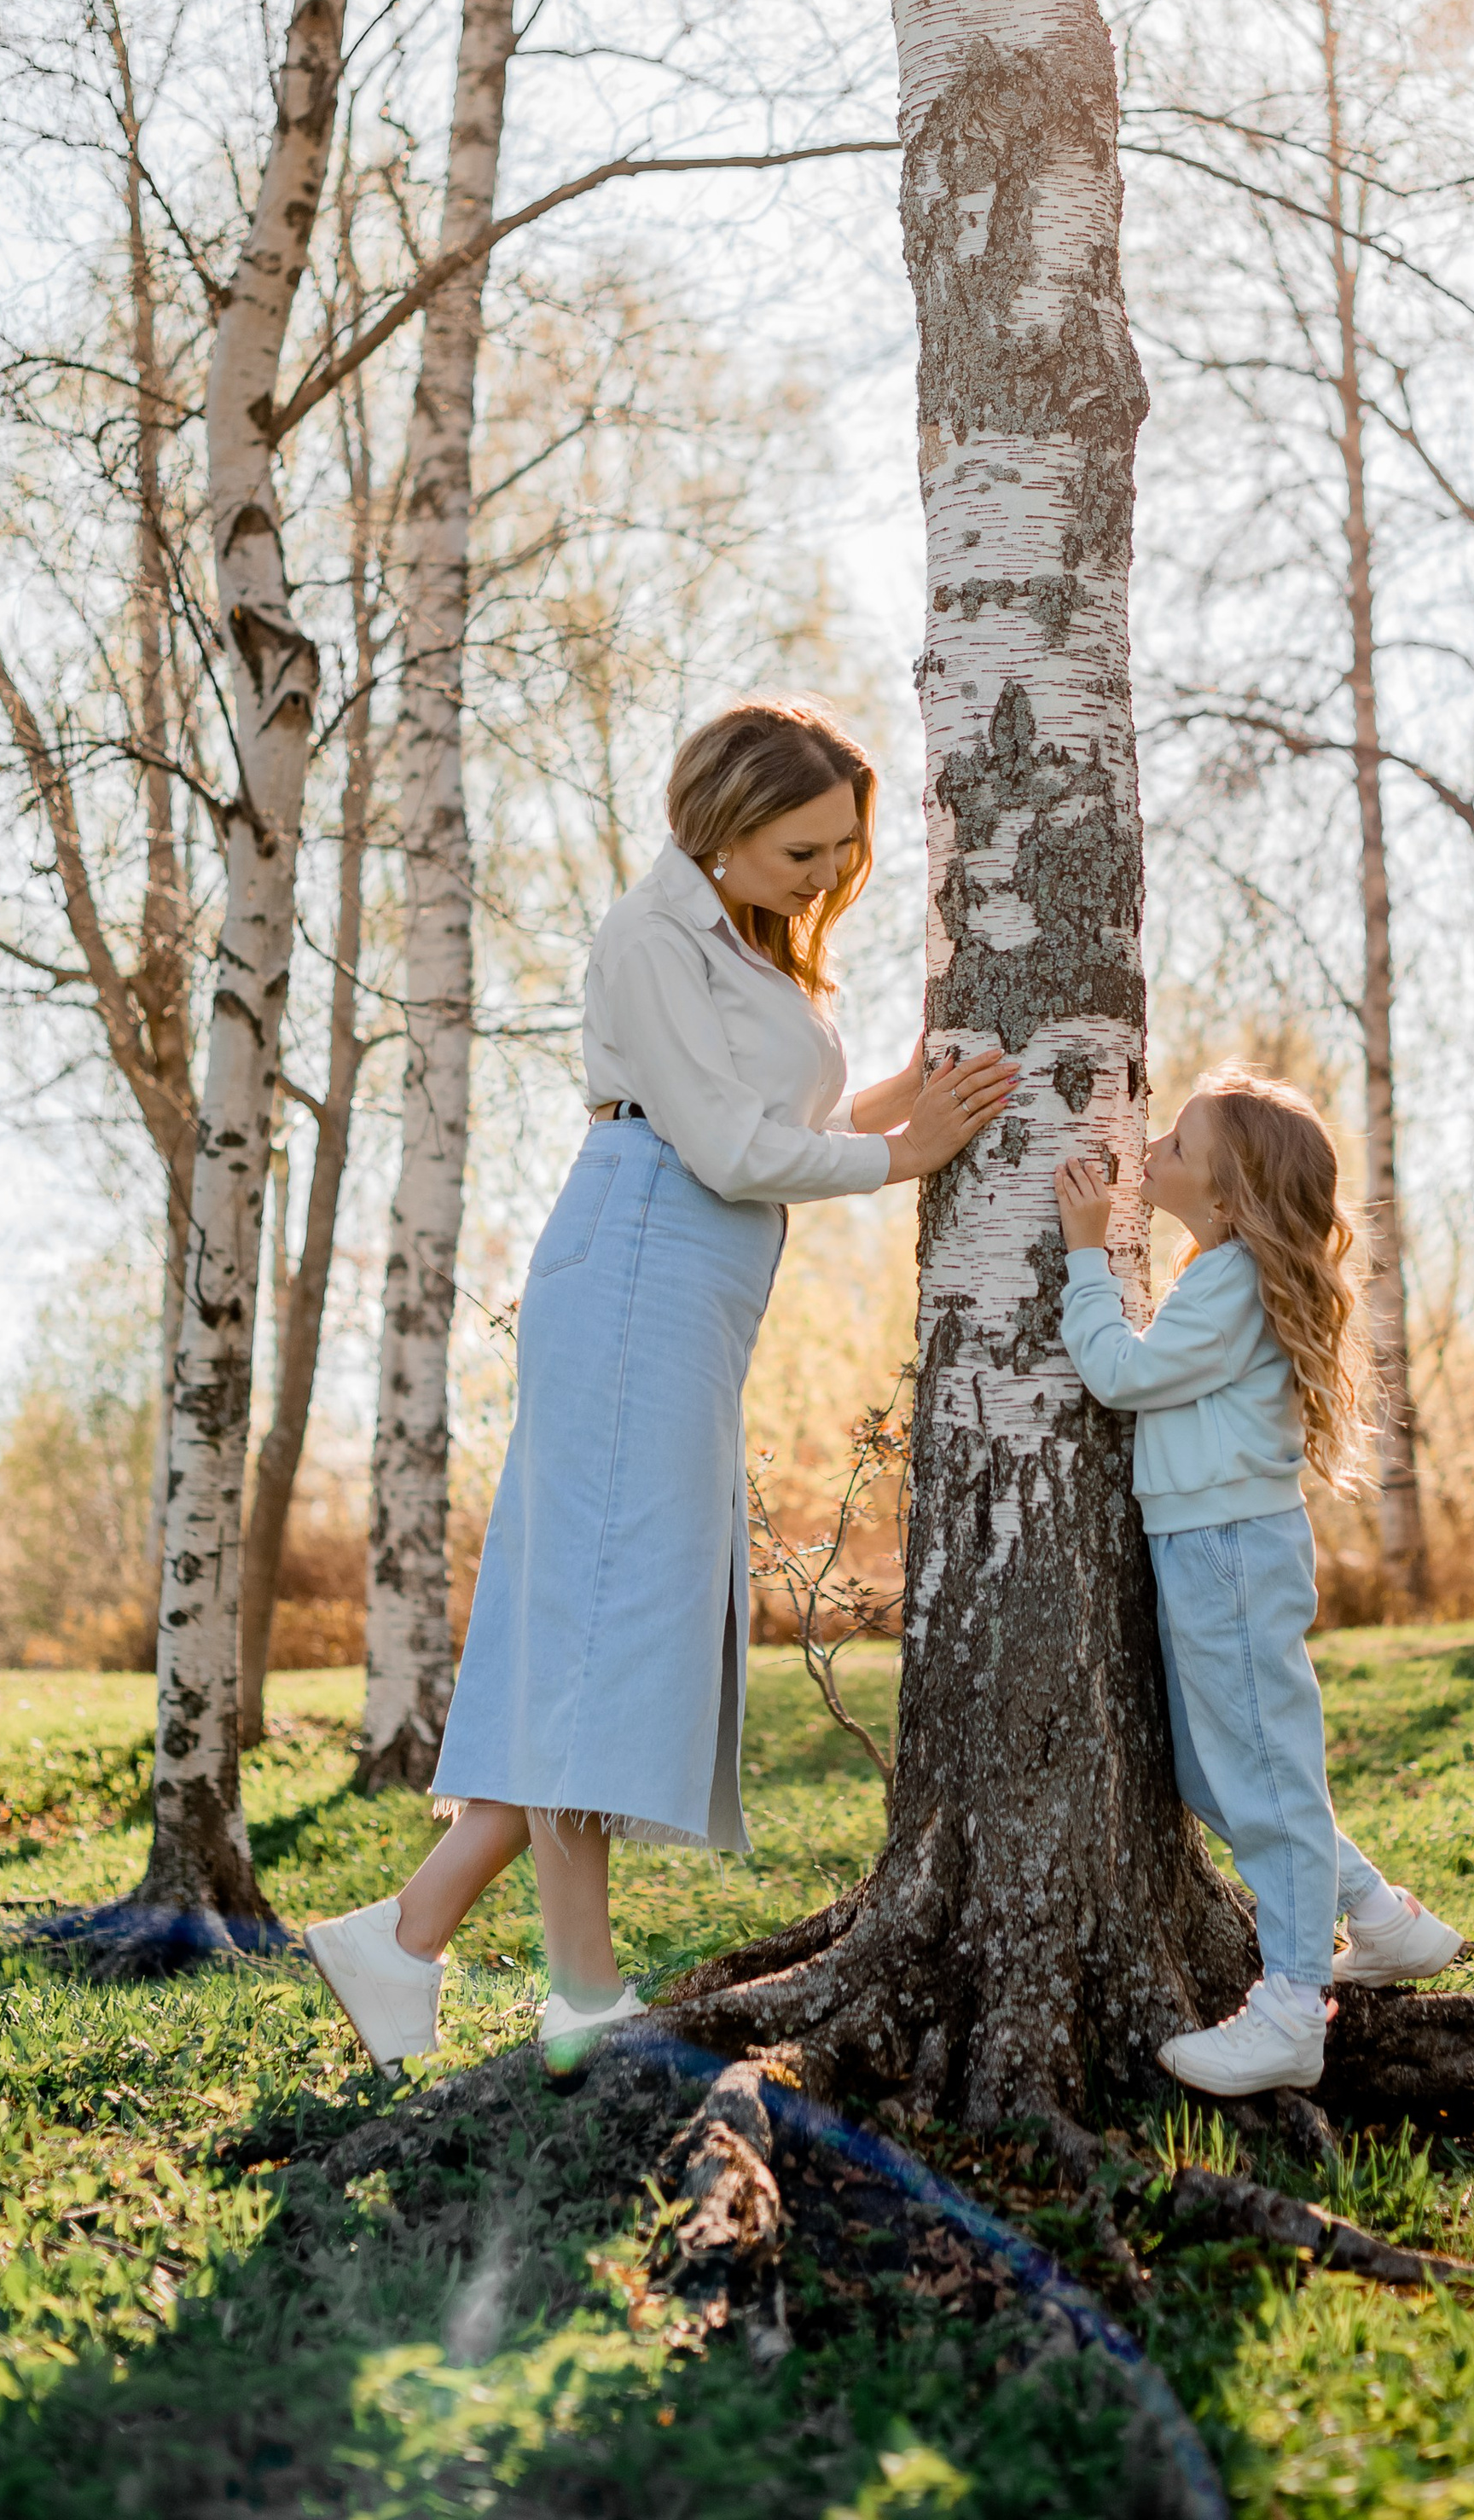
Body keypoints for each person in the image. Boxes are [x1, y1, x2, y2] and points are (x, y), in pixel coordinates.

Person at [309, 698, 1018, 2079]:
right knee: (608, 1626)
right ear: (723, 823)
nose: (826, 873)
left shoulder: (746, 946)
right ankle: (475, 1951)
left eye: (843, 848)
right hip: (638, 1260)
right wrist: (905, 1156)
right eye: (801, 845)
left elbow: (782, 1125)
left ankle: (488, 1962)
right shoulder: (651, 936)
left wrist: (908, 1093)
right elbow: (725, 1147)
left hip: (686, 1285)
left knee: (602, 1623)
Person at [1053, 1066, 1461, 2099]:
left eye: (1176, 1149)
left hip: (1229, 1550)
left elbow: (1121, 1375)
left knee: (1265, 1778)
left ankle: (1289, 2007)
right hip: (1209, 1543)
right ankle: (1377, 1916)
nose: (1151, 1153)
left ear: (1228, 1199)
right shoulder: (1222, 1272)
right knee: (1213, 1774)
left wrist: (1085, 1255)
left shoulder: (1227, 1279)